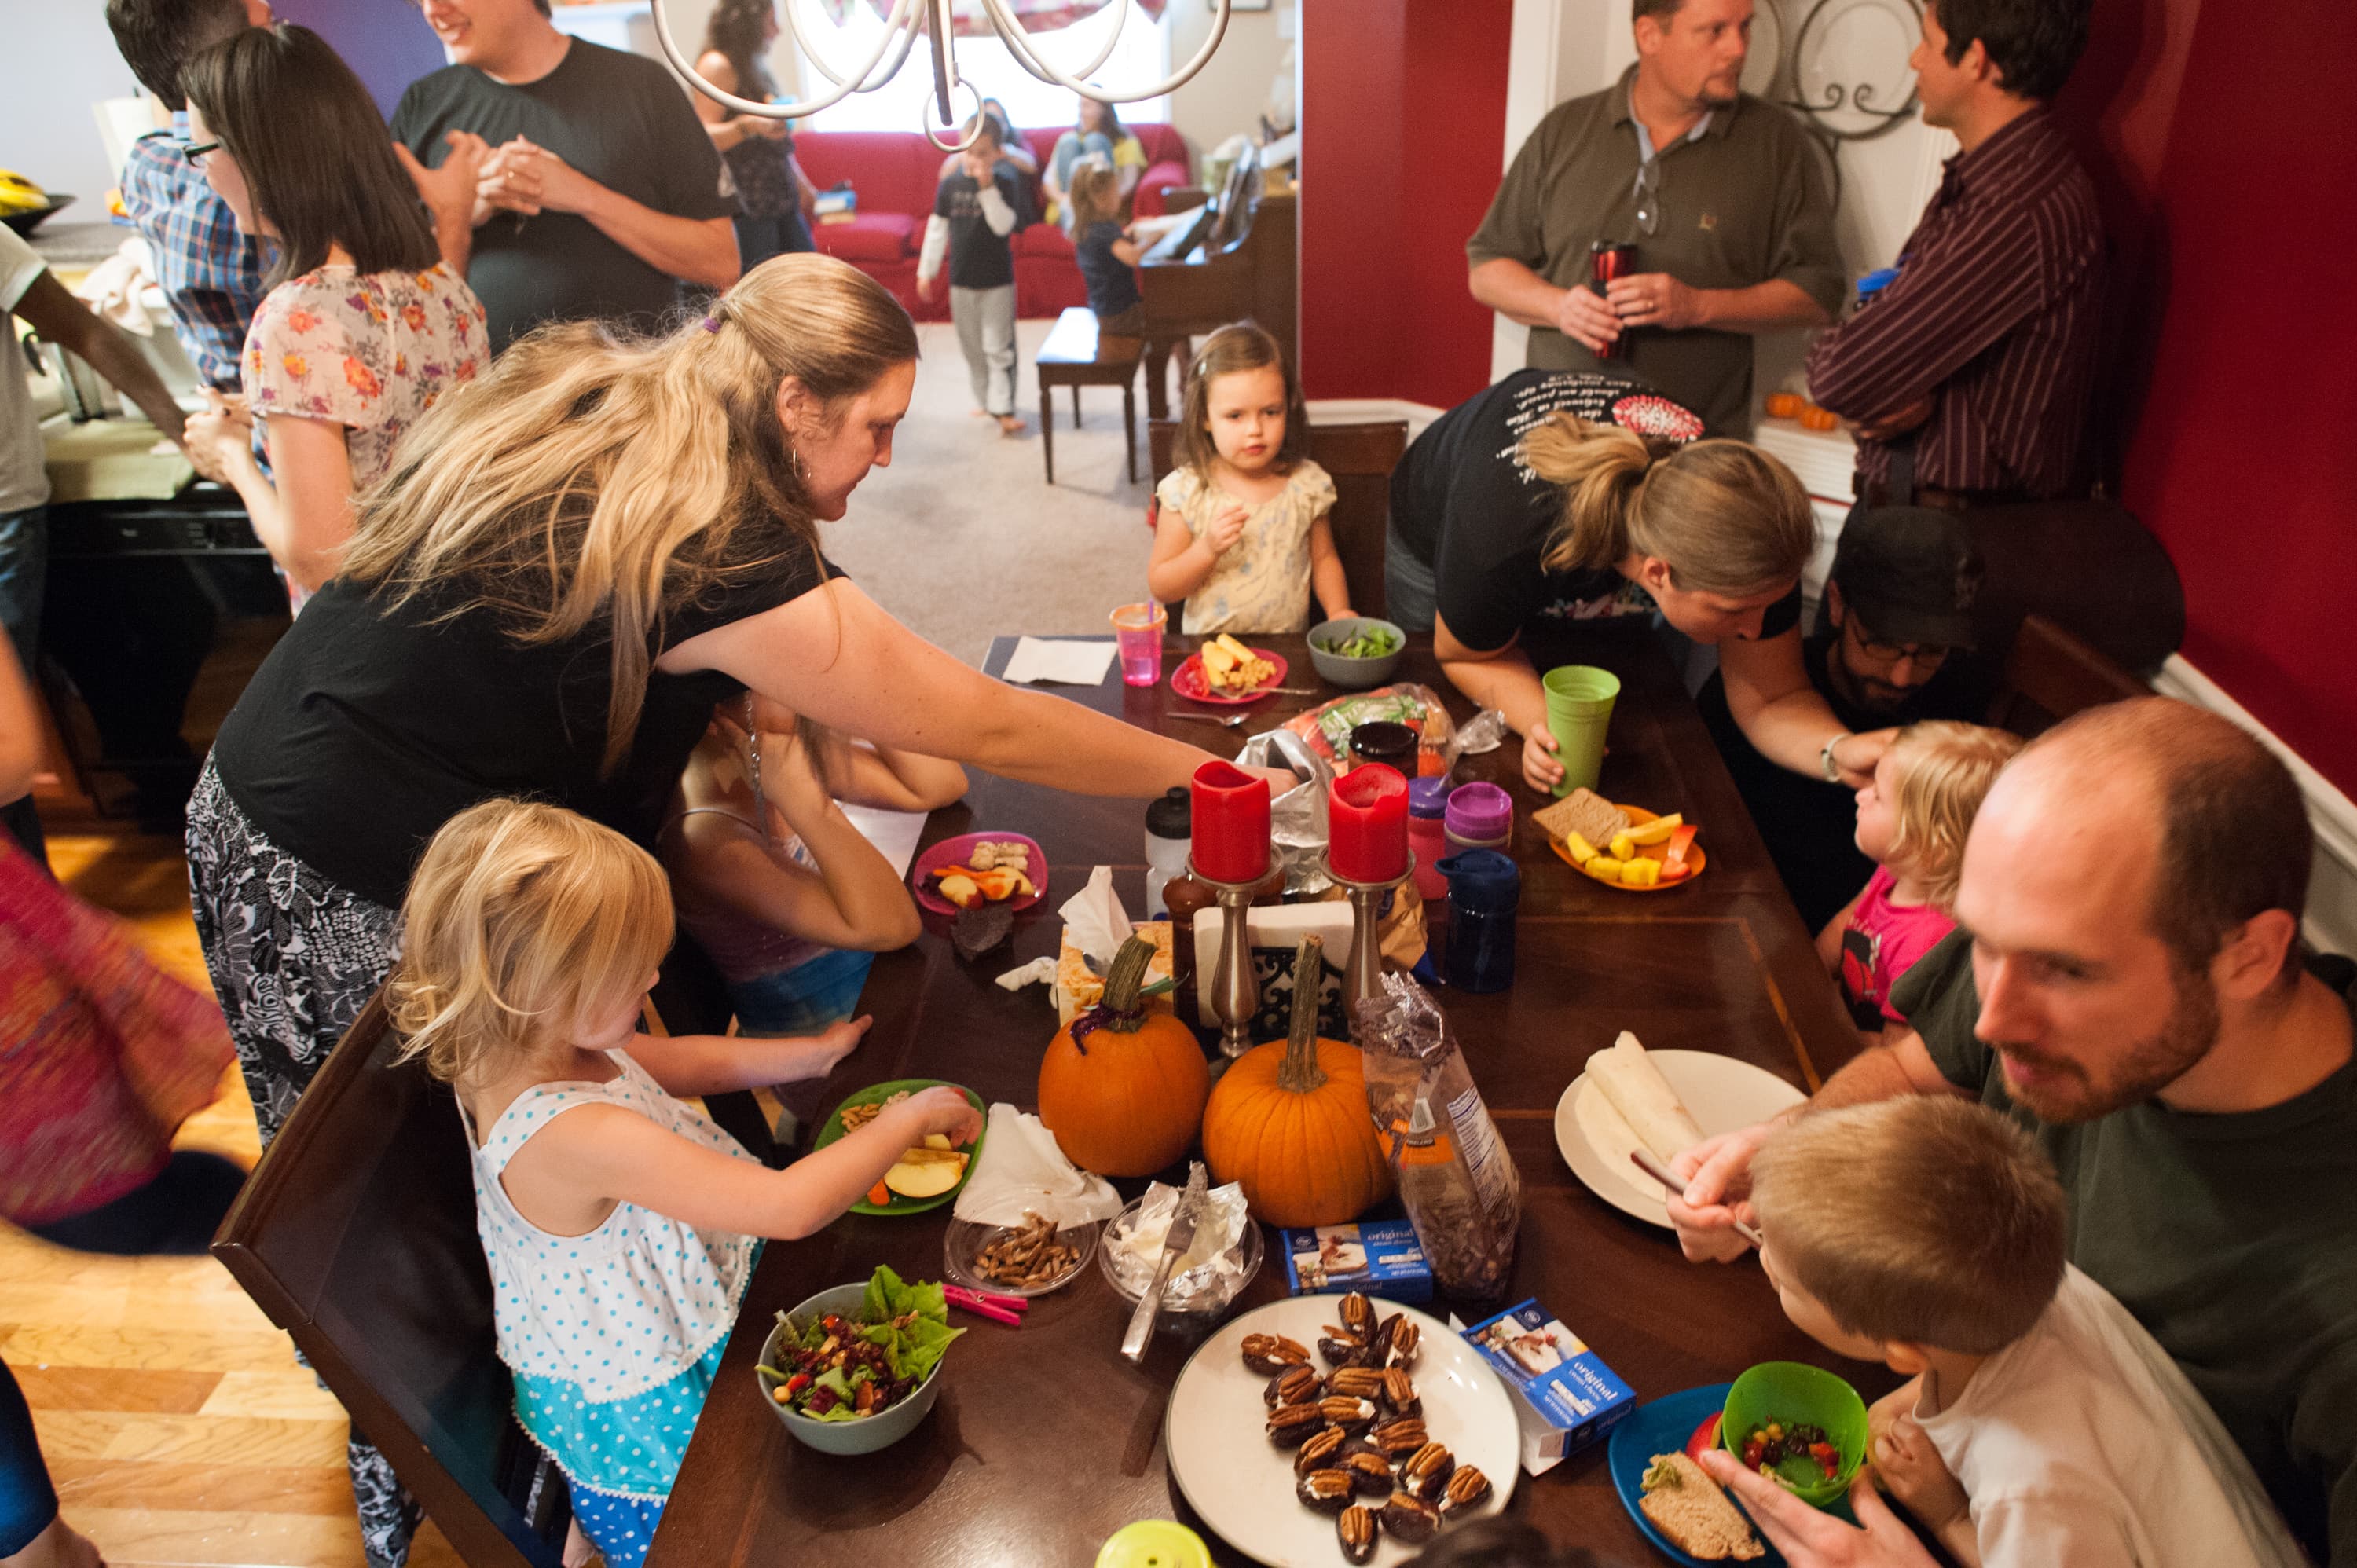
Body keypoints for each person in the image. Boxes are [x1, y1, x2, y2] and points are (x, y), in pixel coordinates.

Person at [189, 253, 1266, 1145]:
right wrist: (1218, 770)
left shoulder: (655, 414)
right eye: (876, 426)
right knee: (425, 1176)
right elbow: (986, 723)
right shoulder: (714, 546)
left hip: (292, 762)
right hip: (329, 848)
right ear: (794, 403)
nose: (889, 457)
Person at [1670, 699, 2357, 1568]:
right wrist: (1788, 1145)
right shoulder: (2045, 951)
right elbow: (1919, 1066)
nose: (1992, 1020)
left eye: (2065, 970)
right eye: (1984, 943)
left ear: (2252, 955)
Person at [391, 797, 981, 1568]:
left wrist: (804, 1055)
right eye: (629, 971)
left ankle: (584, 1519)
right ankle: (611, 1531)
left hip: (632, 1314)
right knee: (727, 1527)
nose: (655, 974)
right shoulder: (573, 1135)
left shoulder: (517, 1043)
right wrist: (906, 1120)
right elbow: (791, 1206)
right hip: (651, 1398)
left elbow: (663, 1062)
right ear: (539, 993)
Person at [1743, 1096, 2309, 1568]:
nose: (1763, 1258)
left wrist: (1951, 1517)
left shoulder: (2028, 1490)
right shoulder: (2038, 1281)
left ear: (1905, 1352)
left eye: (1782, 1277)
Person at [1387, 369, 1890, 796]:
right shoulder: (1503, 535)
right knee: (1449, 736)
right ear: (1658, 574)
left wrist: (1838, 753)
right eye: (1735, 610)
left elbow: (1771, 698)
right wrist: (1542, 722)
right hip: (1449, 527)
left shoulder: (1750, 541)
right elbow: (1466, 654)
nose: (1757, 630)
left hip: (1582, 542)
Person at [178, 24, 489, 604]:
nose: (203, 174)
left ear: (253, 153)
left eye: (200, 151)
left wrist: (234, 458)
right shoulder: (441, 286)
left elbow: (325, 565)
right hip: (456, 611)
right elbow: (394, 411)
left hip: (371, 642)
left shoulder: (295, 321)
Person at [1464, 0, 1842, 436]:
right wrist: (1560, 307)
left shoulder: (1777, 143)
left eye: (1745, 28)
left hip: (1693, 460)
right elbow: (1487, 268)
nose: (1738, 49)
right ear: (1649, 36)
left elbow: (1819, 293)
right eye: (1715, 31)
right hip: (1560, 444)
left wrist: (1698, 306)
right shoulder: (1564, 129)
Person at [1803, 0, 2102, 506]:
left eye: (1929, 42)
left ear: (1975, 60)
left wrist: (1913, 391)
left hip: (1945, 541)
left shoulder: (2015, 205)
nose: (1915, 60)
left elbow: (1839, 377)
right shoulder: (1995, 177)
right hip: (1924, 523)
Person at [1698, 505, 1992, 929]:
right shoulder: (1753, 692)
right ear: (1837, 604)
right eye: (1883, 644)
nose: (1902, 675)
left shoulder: (1958, 714)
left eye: (1930, 652)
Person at [1, 222, 192, 863]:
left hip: (3, 510)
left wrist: (182, 430)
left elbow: (83, 329)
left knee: (5, 770)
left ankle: (37, 935)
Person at [392, 0, 739, 353]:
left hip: (632, 393)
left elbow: (720, 262)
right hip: (491, 398)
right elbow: (398, 303)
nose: (433, 11)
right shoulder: (423, 106)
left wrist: (581, 195)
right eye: (419, 0)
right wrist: (461, 215)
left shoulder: (642, 86)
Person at [661, 697, 965, 1035]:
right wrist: (809, 804)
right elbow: (895, 926)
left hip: (892, 988)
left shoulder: (771, 753)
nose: (807, 683)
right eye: (780, 676)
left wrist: (856, 686)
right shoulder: (708, 840)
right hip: (842, 1052)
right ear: (717, 712)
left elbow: (941, 785)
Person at [103, 0, 272, 394]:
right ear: (240, 59)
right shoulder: (253, 180)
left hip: (230, 408)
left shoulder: (145, 162)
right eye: (272, 31)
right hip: (295, 427)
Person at [1817, 720, 2019, 1041]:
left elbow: (1892, 1052)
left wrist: (1826, 1028)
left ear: (1931, 846)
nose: (1860, 797)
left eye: (1879, 796)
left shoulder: (1929, 943)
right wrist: (1805, 977)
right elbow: (1844, 925)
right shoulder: (1895, 872)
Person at [1146, 325, 1346, 635]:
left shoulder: (1306, 485)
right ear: (1205, 418)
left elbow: (1324, 559)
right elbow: (1162, 585)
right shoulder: (1188, 491)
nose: (1255, 429)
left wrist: (1339, 611)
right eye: (1235, 416)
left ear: (1288, 406)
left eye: (1270, 412)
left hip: (1288, 653)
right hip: (1210, 657)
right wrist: (1207, 550)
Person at [918, 117, 1026, 437]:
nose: (975, 159)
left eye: (983, 153)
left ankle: (1004, 407)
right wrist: (926, 272)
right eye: (969, 151)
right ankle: (985, 400)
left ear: (997, 153)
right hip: (960, 281)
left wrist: (987, 188)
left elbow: (1003, 226)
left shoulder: (1004, 183)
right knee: (972, 347)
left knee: (998, 346)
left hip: (997, 282)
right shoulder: (949, 186)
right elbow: (936, 230)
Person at [693, 0, 819, 271]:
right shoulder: (717, 65)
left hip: (780, 203)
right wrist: (748, 126)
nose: (777, 31)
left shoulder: (752, 64)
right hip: (749, 210)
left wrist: (801, 184)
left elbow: (773, 146)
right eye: (771, 21)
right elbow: (703, 138)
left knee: (808, 280)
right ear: (749, 22)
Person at [1041, 96, 1146, 233]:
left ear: (1103, 109)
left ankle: (1093, 219)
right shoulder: (1069, 141)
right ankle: (1076, 218)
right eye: (1080, 107)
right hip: (1068, 208)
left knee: (1095, 140)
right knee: (1068, 141)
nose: (1081, 112)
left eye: (1087, 106)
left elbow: (1129, 183)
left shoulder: (1125, 141)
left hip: (1103, 207)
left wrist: (1104, 202)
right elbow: (1048, 180)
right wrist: (1066, 200)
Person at [1069, 162, 1148, 338]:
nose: (1119, 195)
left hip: (1104, 311)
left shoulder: (1088, 228)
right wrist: (1156, 238)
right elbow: (1133, 257)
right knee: (1168, 321)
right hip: (1120, 315)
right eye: (1115, 190)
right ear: (1102, 199)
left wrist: (1132, 230)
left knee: (1166, 319)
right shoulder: (1104, 230)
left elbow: (1112, 247)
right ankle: (1184, 365)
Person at [935, 97, 1038, 184]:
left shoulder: (1015, 141)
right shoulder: (969, 145)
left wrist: (1006, 151)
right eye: (987, 119)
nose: (992, 125)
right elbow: (944, 175)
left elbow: (1032, 167)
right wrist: (968, 152)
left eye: (998, 119)